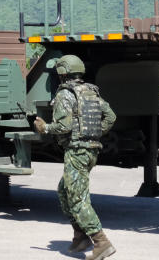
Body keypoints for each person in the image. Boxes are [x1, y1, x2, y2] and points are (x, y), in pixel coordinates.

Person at [34, 54, 117, 260]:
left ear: (62, 73)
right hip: (90, 151)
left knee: (77, 199)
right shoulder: (90, 91)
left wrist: (44, 127)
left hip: (76, 152)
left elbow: (63, 126)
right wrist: (94, 133)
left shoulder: (65, 94)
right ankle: (80, 236)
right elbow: (111, 116)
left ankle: (101, 242)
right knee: (64, 191)